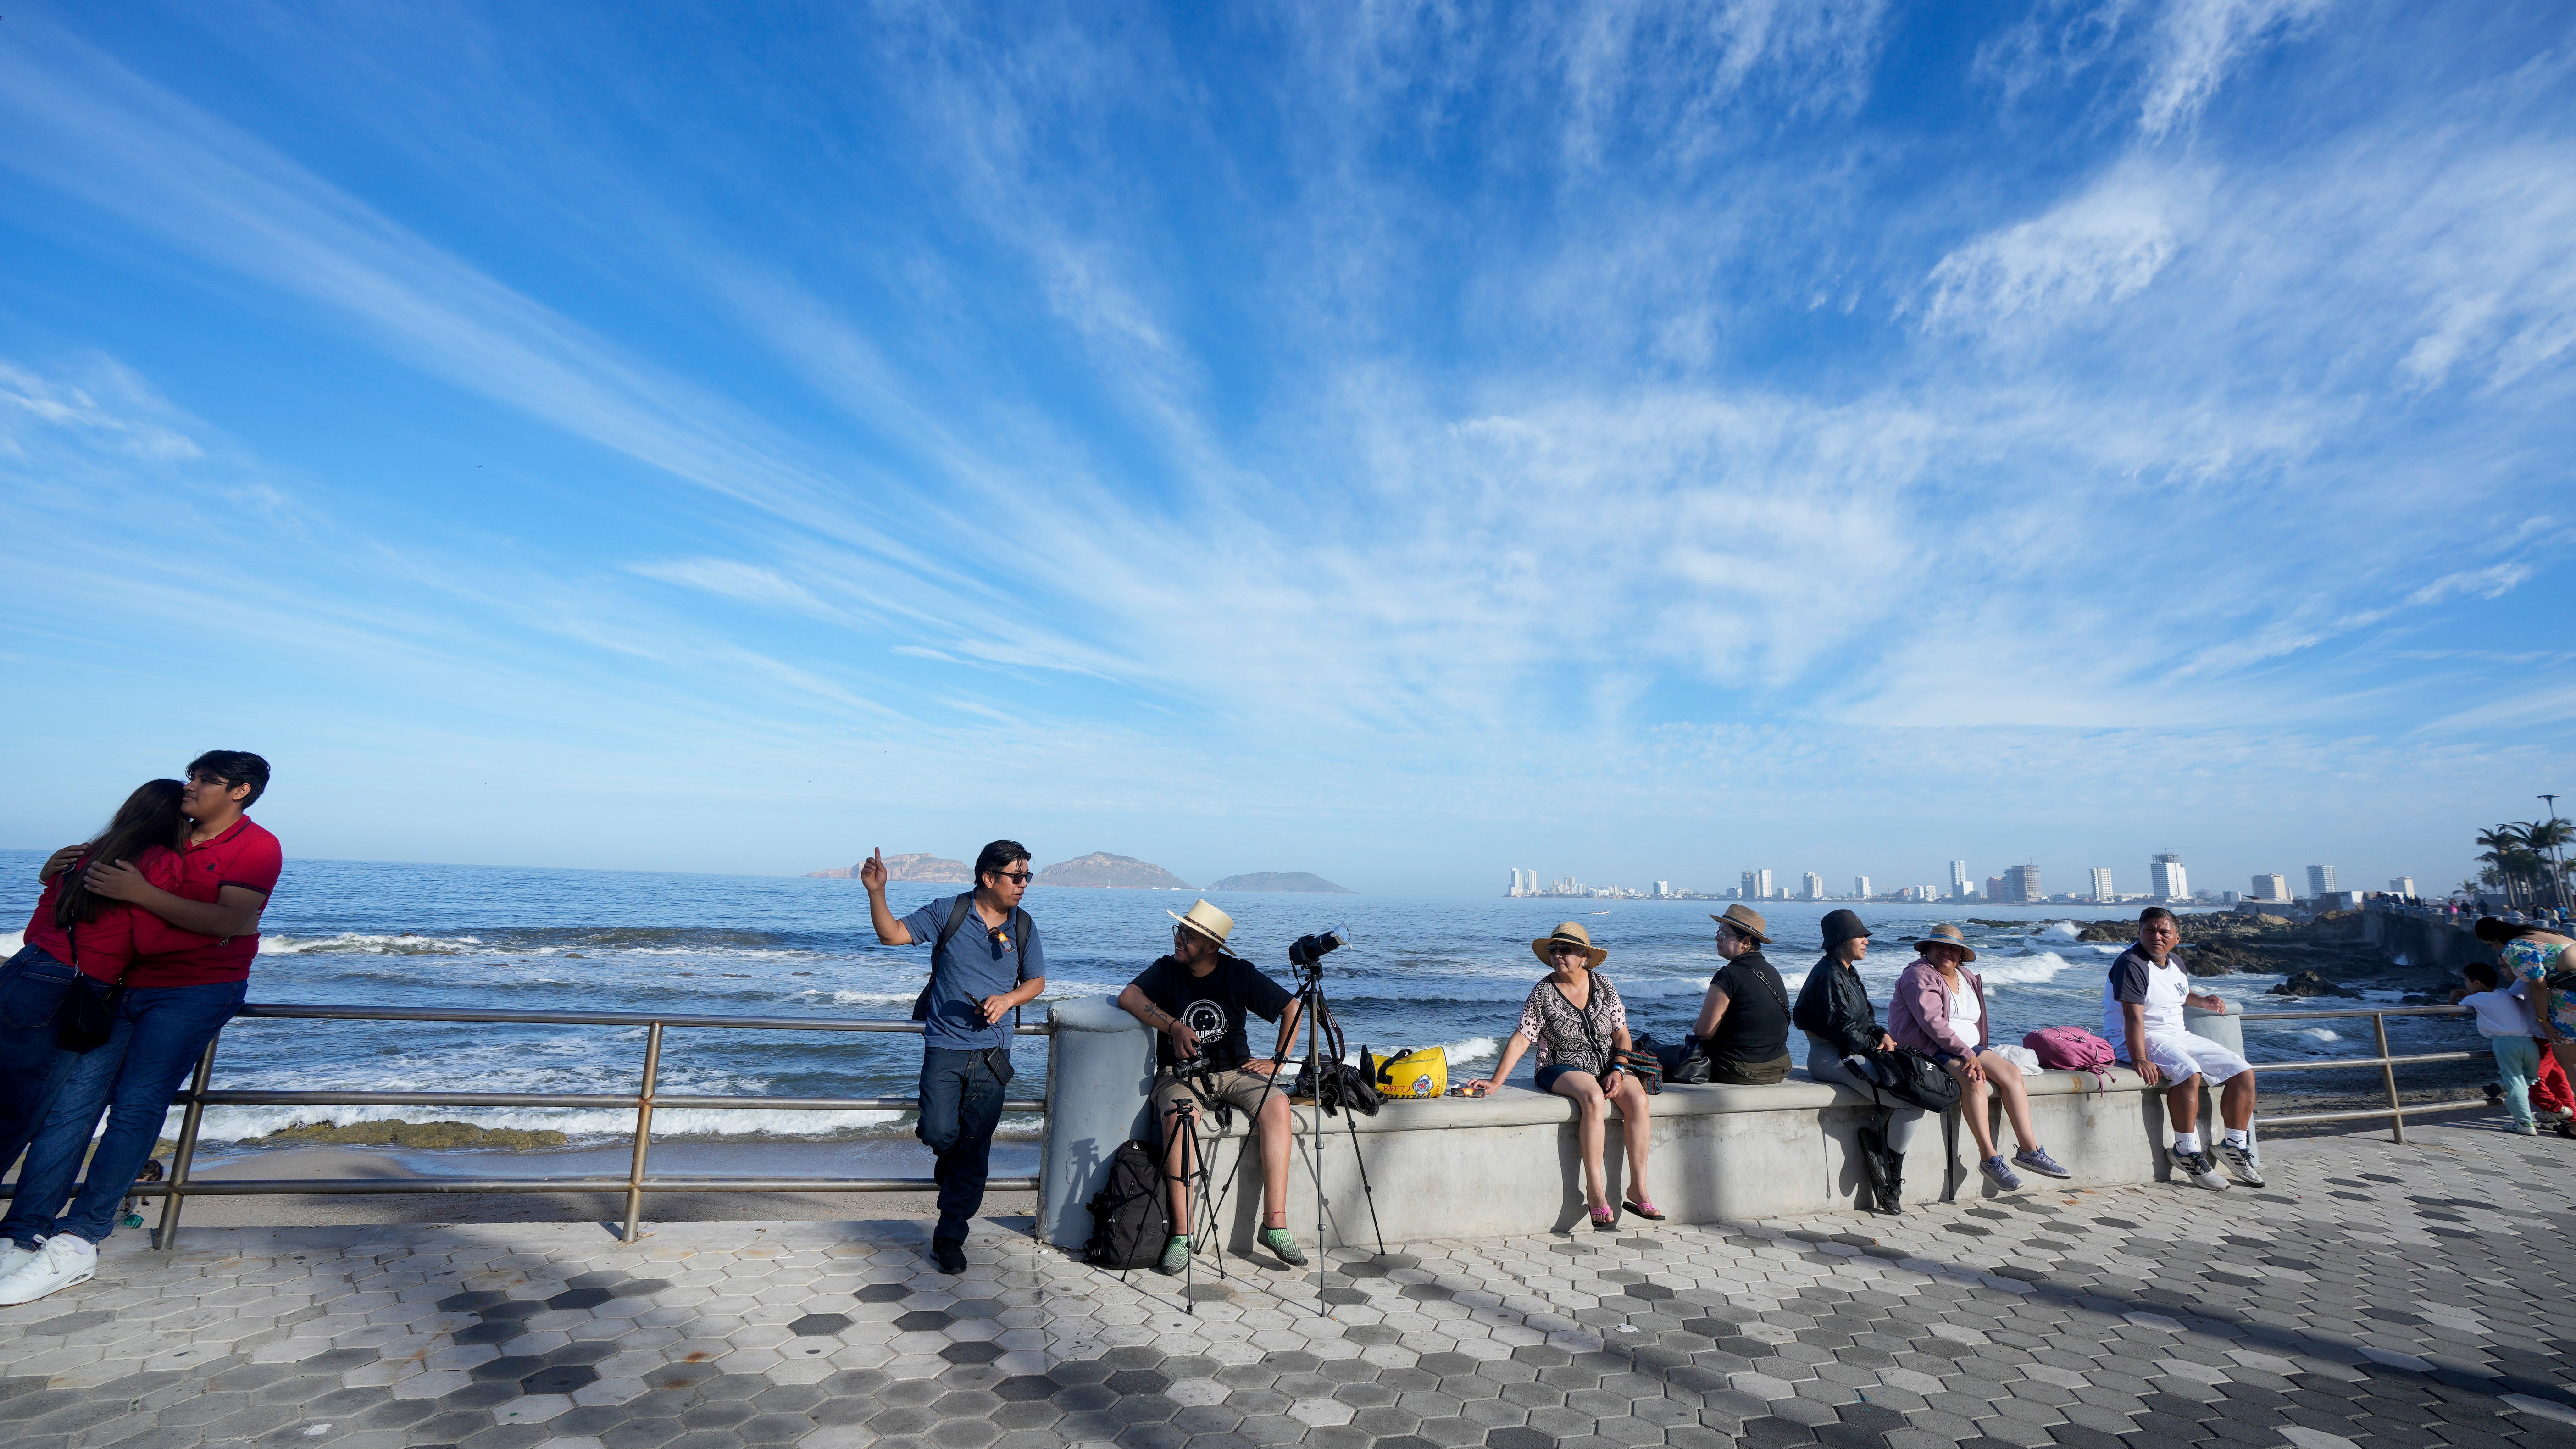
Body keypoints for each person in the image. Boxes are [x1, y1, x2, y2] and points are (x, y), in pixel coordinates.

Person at [0, 753, 281, 1307]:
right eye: (191, 776)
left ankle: (80, 1239)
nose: (191, 785)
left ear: (241, 791)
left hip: (190, 994)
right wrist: (57, 872)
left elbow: (228, 920)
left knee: (135, 1106)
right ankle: (23, 1231)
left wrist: (147, 897)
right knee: (71, 1107)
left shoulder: (257, 846)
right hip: (115, 989)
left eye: (206, 780)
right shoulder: (168, 837)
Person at [863, 841, 1047, 1274]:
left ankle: (949, 1236)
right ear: (989, 878)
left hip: (993, 1052)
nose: (1023, 885)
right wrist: (876, 892)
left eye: (1027, 877)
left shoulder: (1023, 925)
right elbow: (891, 935)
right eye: (1016, 877)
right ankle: (949, 1159)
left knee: (974, 1149)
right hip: (944, 1045)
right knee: (940, 1132)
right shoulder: (950, 911)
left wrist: (1007, 1000)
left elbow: (1036, 981)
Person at [0, 781, 189, 1203]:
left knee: (7, 1103)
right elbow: (150, 943)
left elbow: (36, 930)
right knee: (24, 1114)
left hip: (23, 972)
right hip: (73, 988)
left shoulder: (85, 852)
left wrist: (47, 877)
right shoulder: (162, 862)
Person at [1116, 900, 1304, 1273]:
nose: (1179, 939)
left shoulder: (1239, 973)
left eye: (1189, 935)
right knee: (1179, 1118)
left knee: (1278, 1105)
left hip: (1236, 1071)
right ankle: (1182, 1236)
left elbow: (1292, 1008)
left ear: (1212, 946)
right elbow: (1129, 997)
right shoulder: (1166, 970)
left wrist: (1278, 1059)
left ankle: (1275, 1224)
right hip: (1180, 1073)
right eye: (1180, 931)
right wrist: (1174, 1027)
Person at [1469, 922, 1658, 1229]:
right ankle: (1595, 1190)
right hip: (1558, 1067)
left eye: (1566, 949)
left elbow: (1623, 1034)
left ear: (1584, 956)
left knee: (1638, 1099)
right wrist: (1496, 1082)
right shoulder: (1542, 992)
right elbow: (1521, 1038)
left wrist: (1620, 1070)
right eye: (1554, 949)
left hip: (1610, 1065)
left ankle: (1638, 1187)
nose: (1558, 954)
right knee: (1593, 1097)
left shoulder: (1605, 986)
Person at [1888, 924, 2070, 1190]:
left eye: (1953, 948)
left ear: (1962, 955)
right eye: (1940, 946)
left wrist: (1973, 1050)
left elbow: (1971, 1020)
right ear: (1928, 950)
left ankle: (2029, 1151)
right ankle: (1990, 1158)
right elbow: (1932, 1023)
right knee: (1973, 1080)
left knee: (2012, 1074)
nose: (1946, 952)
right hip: (1928, 1048)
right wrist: (1965, 1054)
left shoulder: (1966, 976)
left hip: (1969, 1047)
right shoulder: (1918, 976)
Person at [2106, 906, 2262, 1192]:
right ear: (2140, 933)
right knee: (2189, 1072)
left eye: (2164, 932)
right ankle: (2186, 1151)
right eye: (2149, 930)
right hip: (2139, 1037)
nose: (2156, 936)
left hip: (2178, 1034)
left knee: (2242, 1071)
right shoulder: (2132, 964)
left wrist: (2202, 1001)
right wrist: (2139, 1057)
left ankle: (2234, 1146)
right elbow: (2133, 1016)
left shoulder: (2176, 962)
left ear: (2176, 938)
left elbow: (2177, 993)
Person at [1793, 910, 1918, 1213]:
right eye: (1860, 936)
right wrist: (1876, 1046)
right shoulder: (1828, 976)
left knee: (1913, 1086)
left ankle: (1881, 1155)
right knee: (1911, 1100)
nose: (1866, 941)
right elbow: (1844, 1033)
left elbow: (1866, 1018)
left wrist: (1881, 1034)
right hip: (1831, 1055)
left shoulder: (1845, 970)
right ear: (1841, 940)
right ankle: (1889, 1175)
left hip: (1853, 1051)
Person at [1689, 905, 1792, 1084]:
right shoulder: (1773, 972)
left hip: (1741, 1070)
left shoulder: (1728, 975)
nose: (1717, 937)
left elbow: (1703, 1032)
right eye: (1719, 931)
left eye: (1724, 933)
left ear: (1745, 941)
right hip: (1780, 1066)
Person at [2479, 917, 2576, 1088]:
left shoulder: (2513, 948)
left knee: (2571, 1063)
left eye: (2490, 945)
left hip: (2569, 996)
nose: (2495, 949)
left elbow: (2538, 985)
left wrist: (2543, 1021)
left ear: (2495, 939)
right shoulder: (2545, 935)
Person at [2454, 961, 2543, 1135]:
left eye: (2467, 981)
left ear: (2477, 983)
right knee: (2530, 1078)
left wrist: (2453, 997)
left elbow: (2453, 1013)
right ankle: (2502, 1086)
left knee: (2516, 1082)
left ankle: (2524, 1123)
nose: (2466, 984)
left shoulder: (2472, 999)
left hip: (2505, 1044)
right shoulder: (2504, 992)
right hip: (2528, 1042)